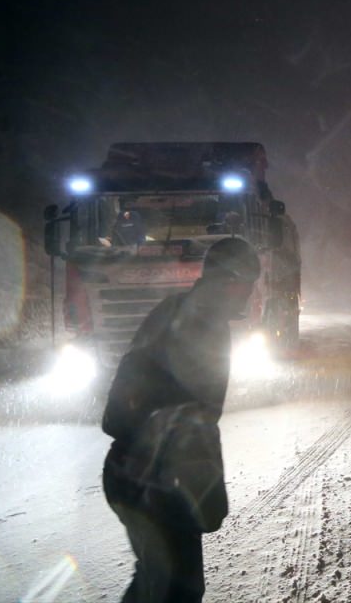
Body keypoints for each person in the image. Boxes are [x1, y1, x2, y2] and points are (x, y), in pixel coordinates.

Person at [101, 237, 260, 602]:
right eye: (248, 283)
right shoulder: (207, 326)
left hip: (126, 471)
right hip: (158, 482)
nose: (249, 294)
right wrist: (203, 497)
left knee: (153, 582)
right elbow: (192, 419)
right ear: (234, 281)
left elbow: (126, 404)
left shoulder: (172, 308)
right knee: (178, 590)